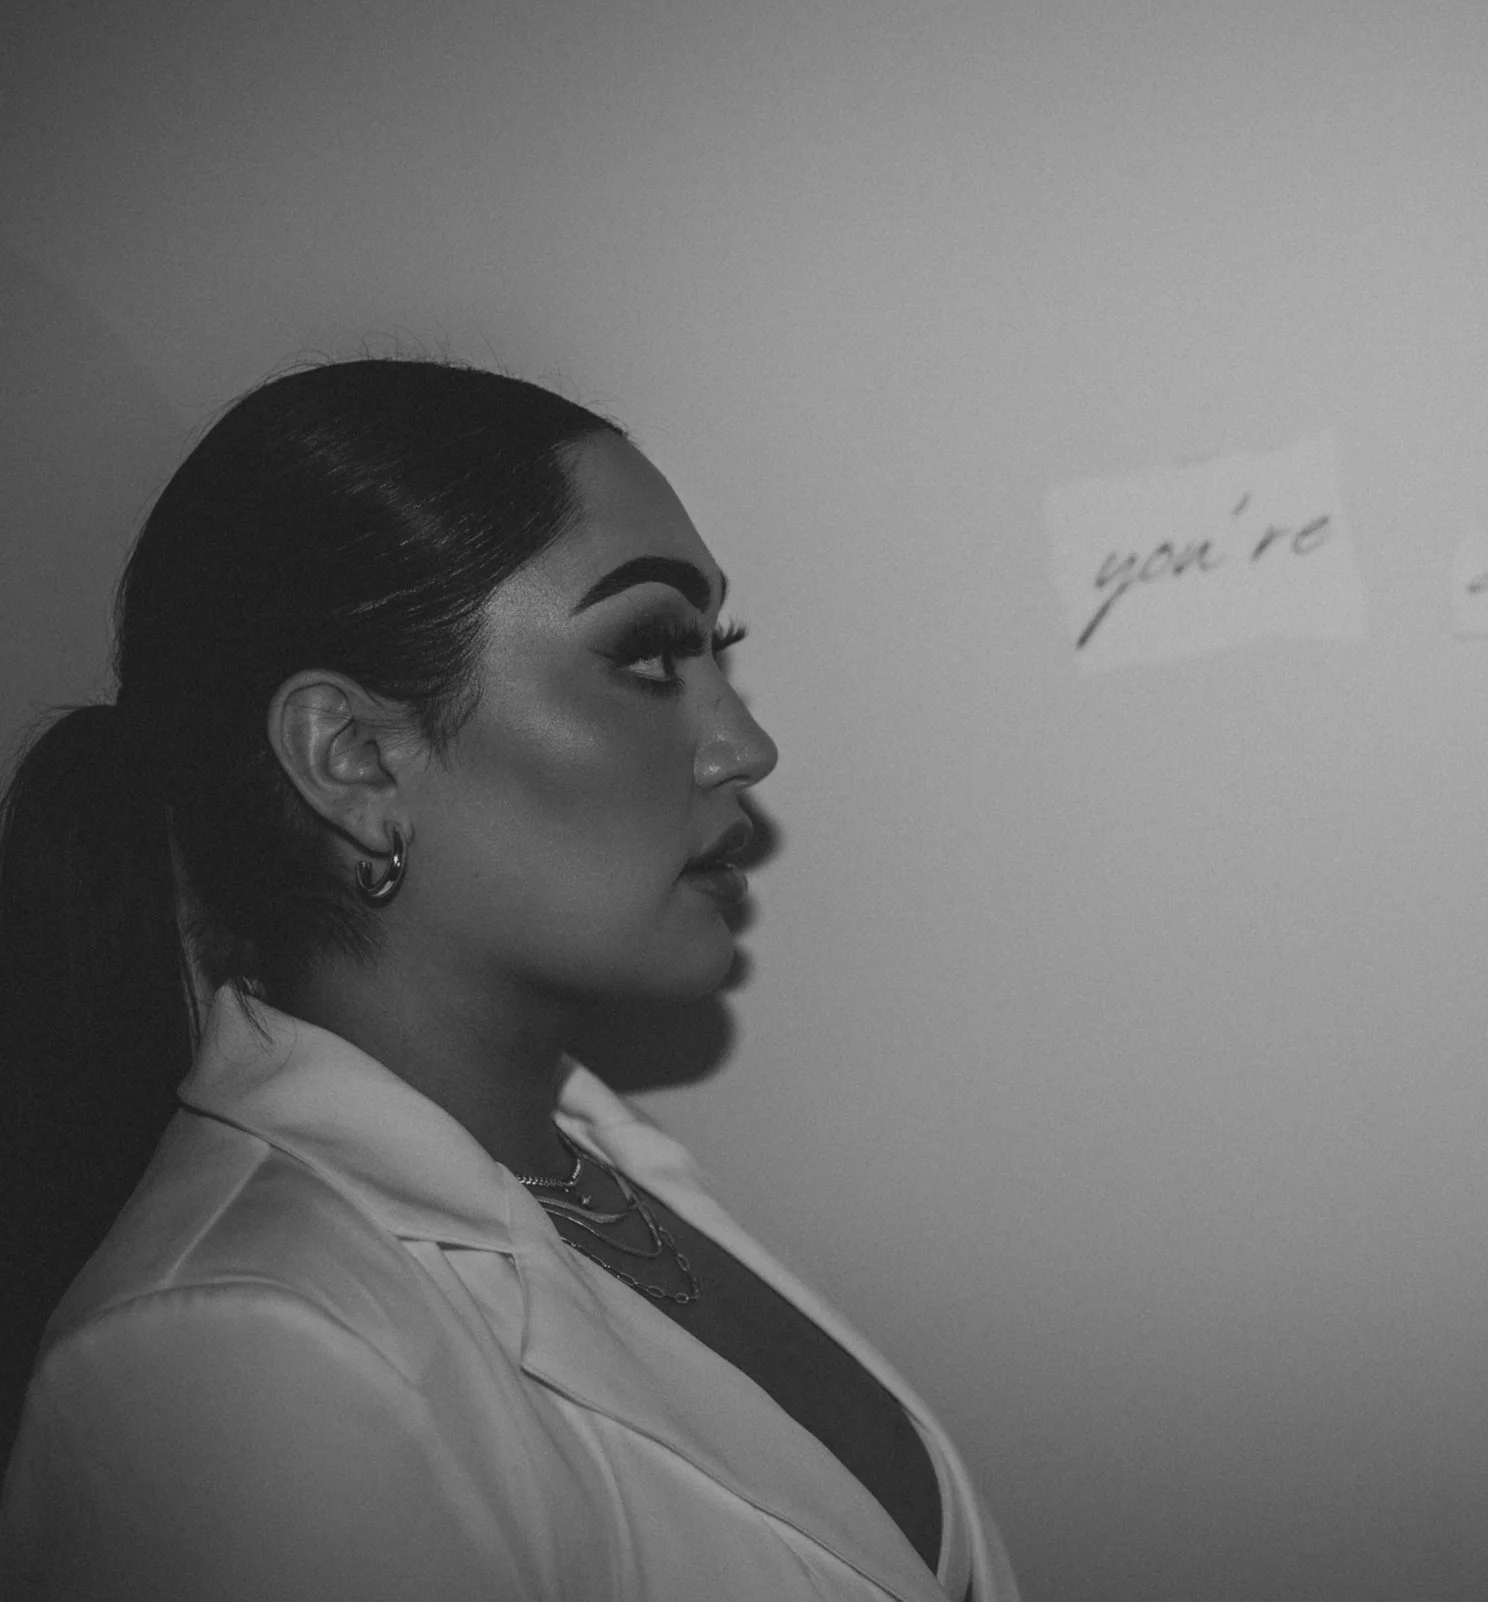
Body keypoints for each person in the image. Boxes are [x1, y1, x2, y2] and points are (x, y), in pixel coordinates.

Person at [0, 358, 1019, 1601]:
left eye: (720, 650)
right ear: (354, 756)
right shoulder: (234, 1361)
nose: (746, 744)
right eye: (651, 652)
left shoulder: (594, 1164)